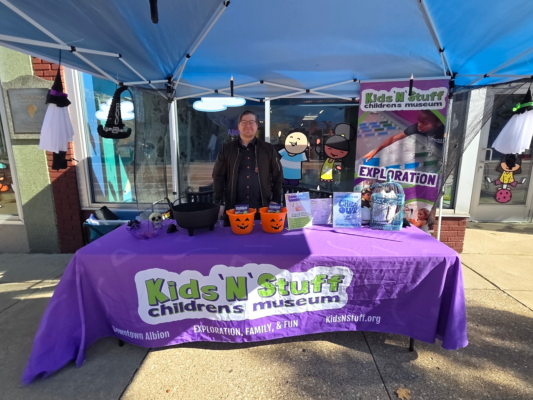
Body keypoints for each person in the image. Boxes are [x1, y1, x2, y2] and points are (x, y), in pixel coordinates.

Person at [213, 110, 284, 223]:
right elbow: (218, 177)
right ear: (238, 126)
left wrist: (275, 200)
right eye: (244, 122)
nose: (248, 125)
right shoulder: (226, 149)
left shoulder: (268, 149)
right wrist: (219, 202)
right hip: (234, 210)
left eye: (251, 122)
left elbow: (278, 177)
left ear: (257, 126)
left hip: (262, 211)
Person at [363, 110, 444, 162]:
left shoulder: (444, 129)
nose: (419, 125)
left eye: (425, 123)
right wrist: (375, 151)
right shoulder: (416, 128)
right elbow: (394, 138)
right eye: (418, 121)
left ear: (438, 123)